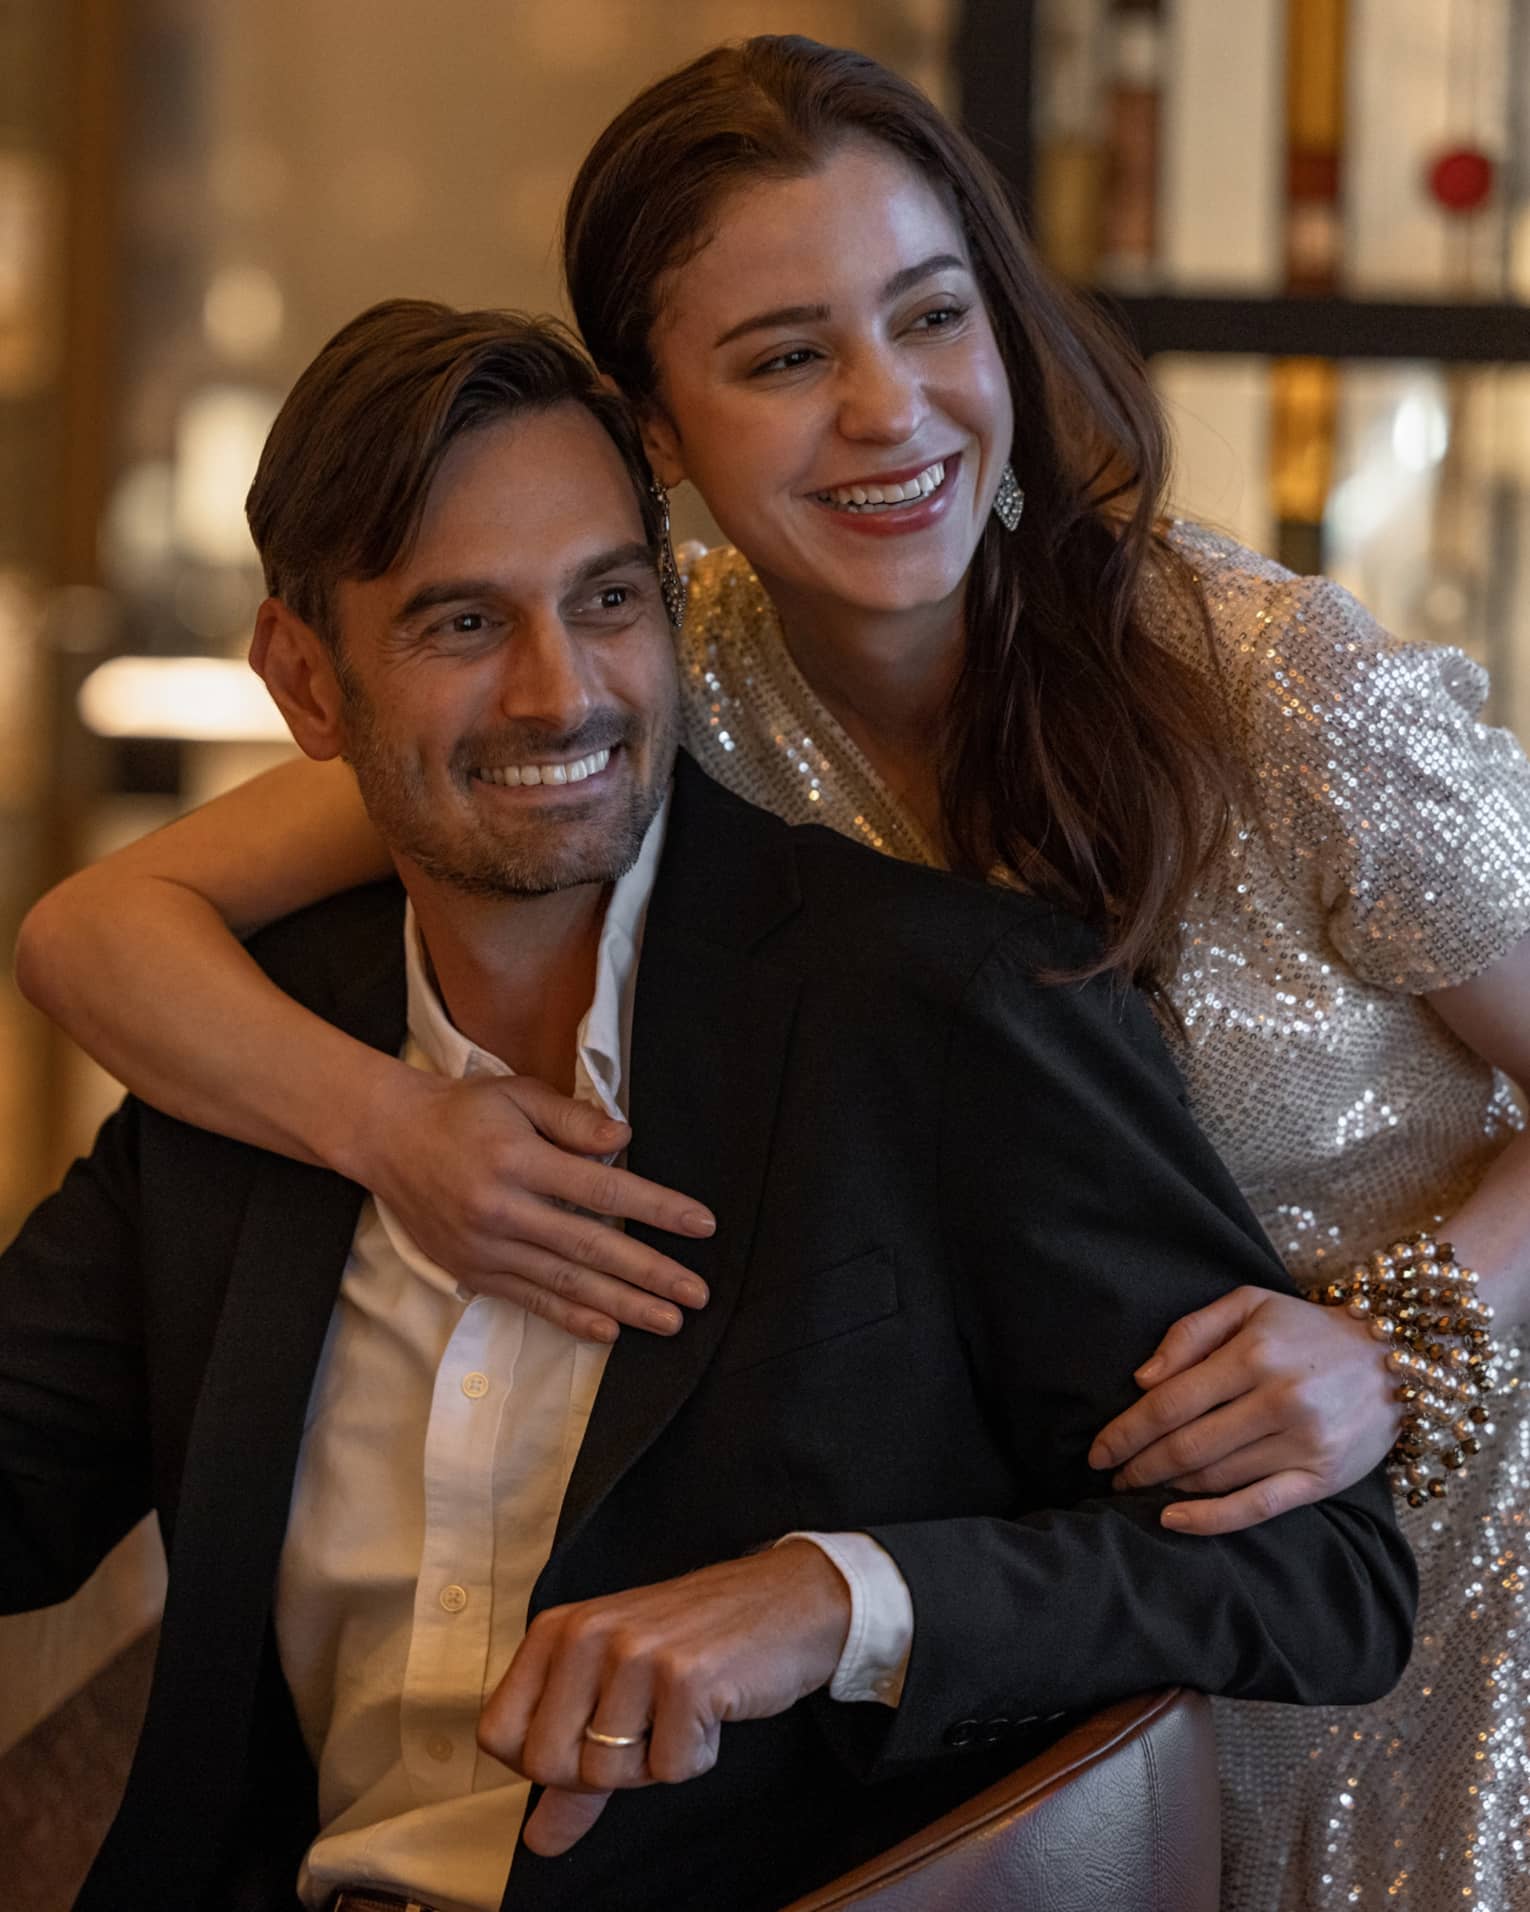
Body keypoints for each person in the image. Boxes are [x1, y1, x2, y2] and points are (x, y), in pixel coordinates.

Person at [15, 34, 1530, 1911]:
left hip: (1439, 1524)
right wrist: (404, 1134)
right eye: (786, 355)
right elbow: (94, 930)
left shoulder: (1265, 691)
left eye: (929, 317)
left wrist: (1398, 1339)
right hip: (1088, 1614)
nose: (889, 411)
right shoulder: (662, 677)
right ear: (659, 433)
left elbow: (1307, 1566)